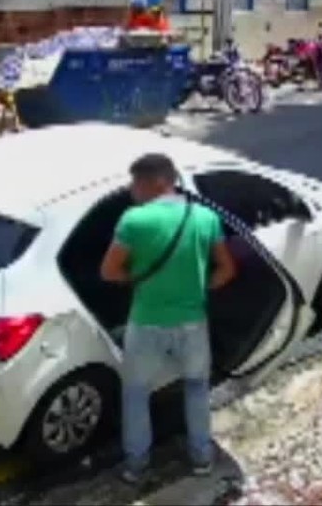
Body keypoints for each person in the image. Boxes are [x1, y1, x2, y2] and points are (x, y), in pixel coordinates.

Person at [99, 153, 236, 484]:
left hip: (146, 323)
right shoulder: (205, 217)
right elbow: (227, 269)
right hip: (192, 322)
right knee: (196, 389)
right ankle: (202, 458)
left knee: (135, 393)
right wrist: (198, 288)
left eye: (135, 182)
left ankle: (136, 466)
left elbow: (108, 271)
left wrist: (137, 280)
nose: (132, 190)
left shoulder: (133, 220)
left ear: (154, 182)